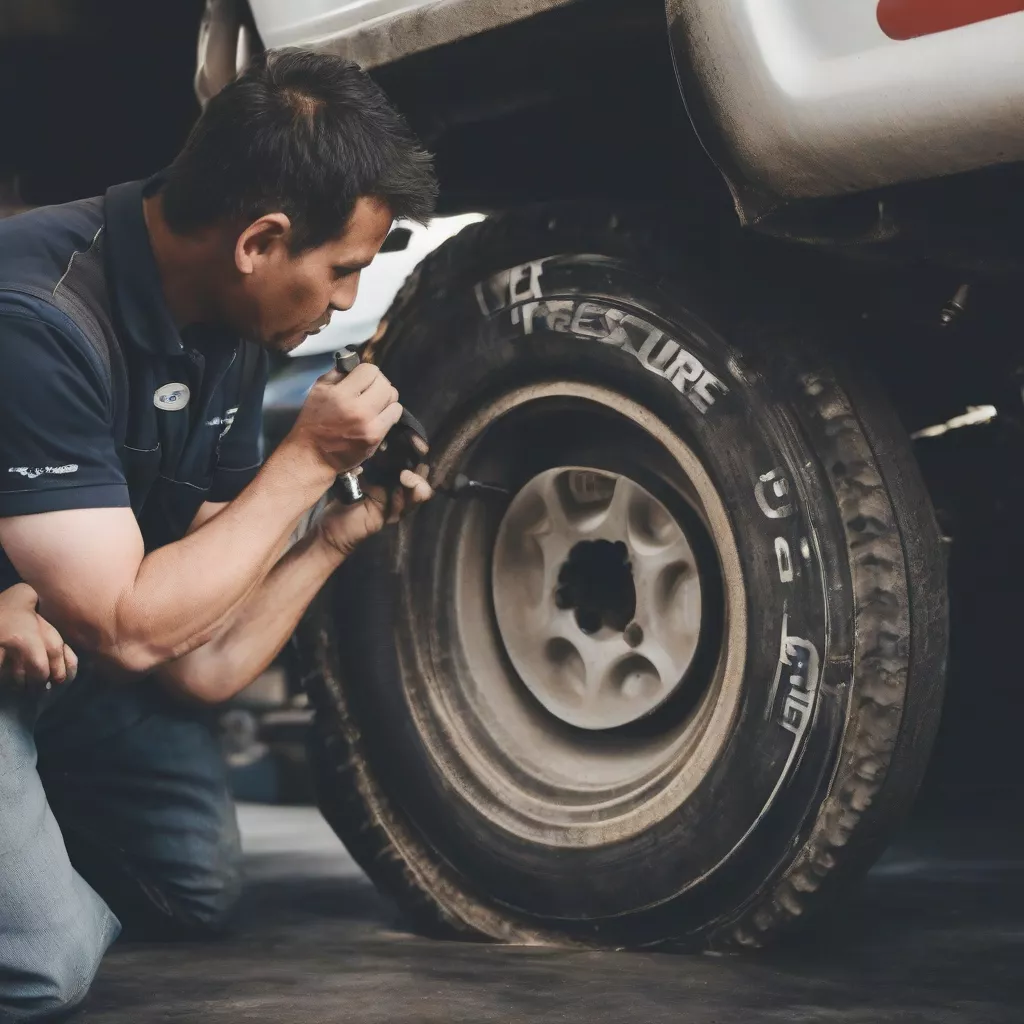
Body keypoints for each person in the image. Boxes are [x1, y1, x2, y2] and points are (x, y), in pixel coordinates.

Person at [0, 48, 438, 1020]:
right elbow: (132, 626)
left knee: (190, 888)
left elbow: (197, 656)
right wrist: (306, 459)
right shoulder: (38, 315)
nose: (344, 305)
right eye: (342, 271)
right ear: (259, 242)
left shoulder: (232, 335)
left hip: (56, 652)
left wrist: (333, 529)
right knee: (45, 958)